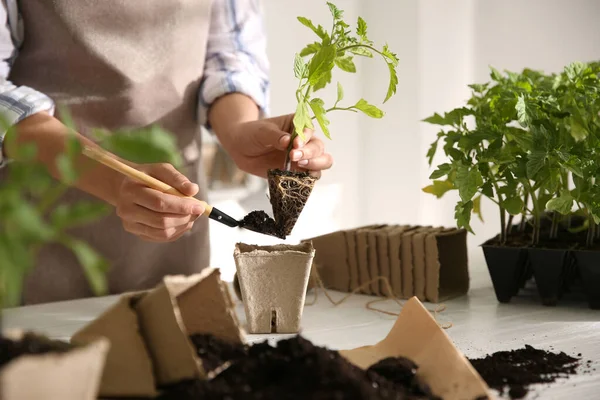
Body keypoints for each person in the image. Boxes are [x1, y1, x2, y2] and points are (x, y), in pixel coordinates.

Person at [0, 0, 333, 305]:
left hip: (175, 234)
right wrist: (113, 181)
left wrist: (239, 130)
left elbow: (231, 53)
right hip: (39, 225)